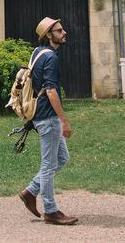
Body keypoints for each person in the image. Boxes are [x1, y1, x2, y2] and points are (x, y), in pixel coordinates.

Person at [18, 16, 78, 225]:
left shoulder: (37, 53)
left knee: (61, 159)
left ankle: (30, 191)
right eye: (60, 31)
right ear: (49, 35)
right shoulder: (51, 57)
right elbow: (51, 90)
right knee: (49, 164)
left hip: (40, 116)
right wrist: (64, 121)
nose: (64, 33)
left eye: (62, 30)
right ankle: (51, 211)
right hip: (49, 118)